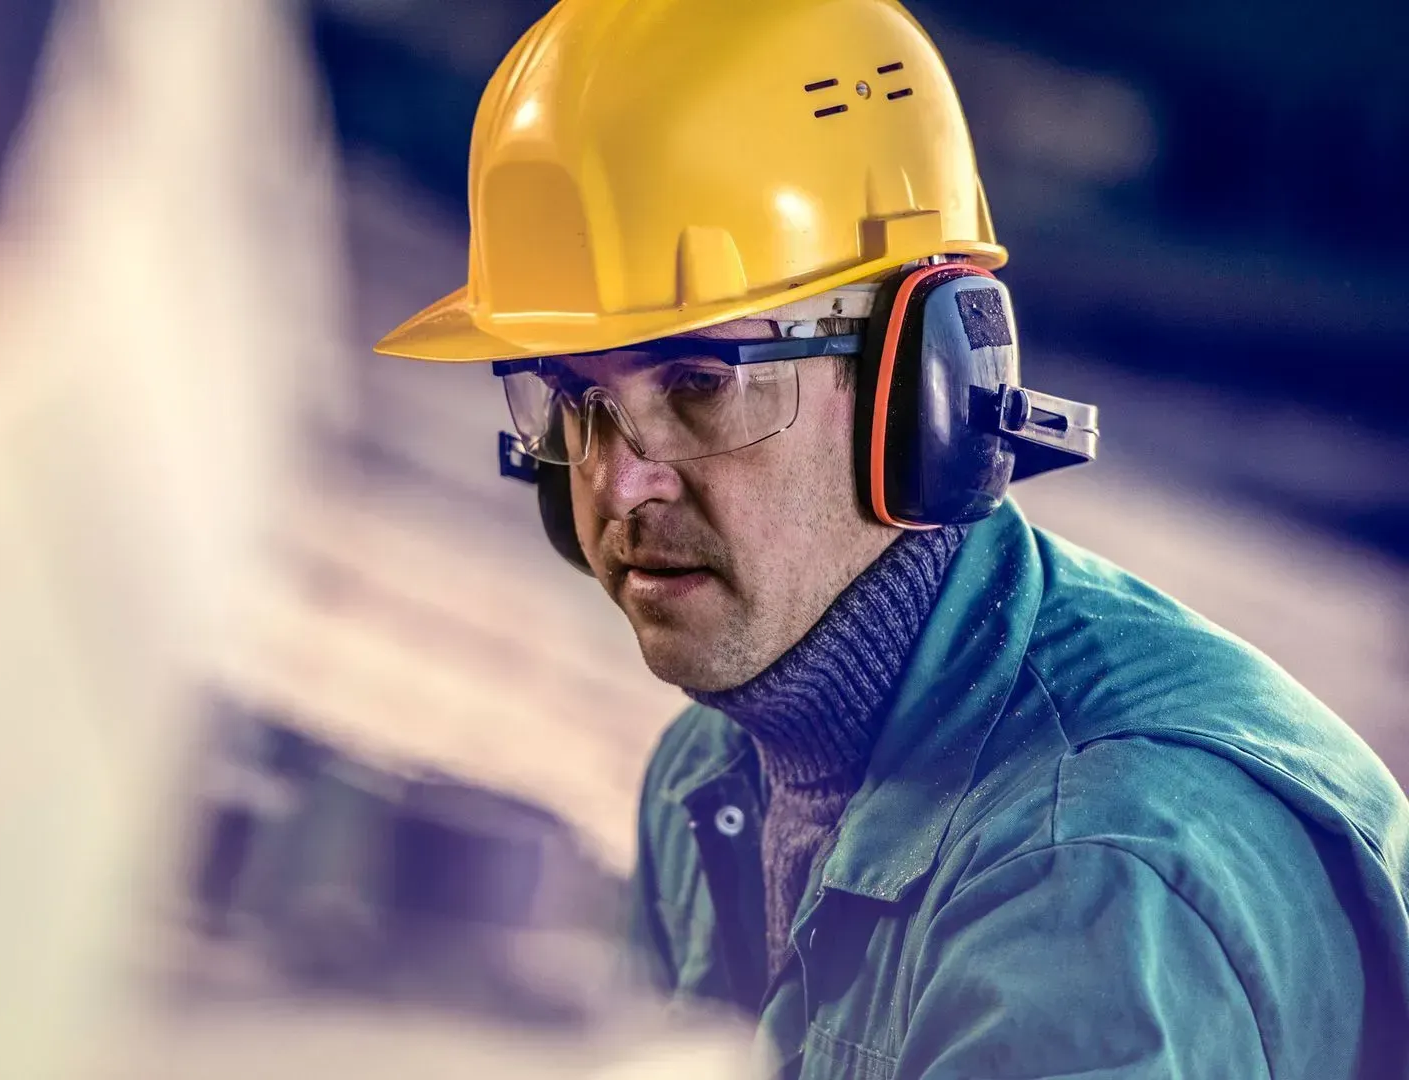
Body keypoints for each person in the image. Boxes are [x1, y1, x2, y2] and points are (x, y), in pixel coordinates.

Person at [370, 0, 1409, 1075]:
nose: (619, 482)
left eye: (698, 383)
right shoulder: (710, 780)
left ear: (926, 390)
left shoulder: (1088, 872)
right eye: (571, 399)